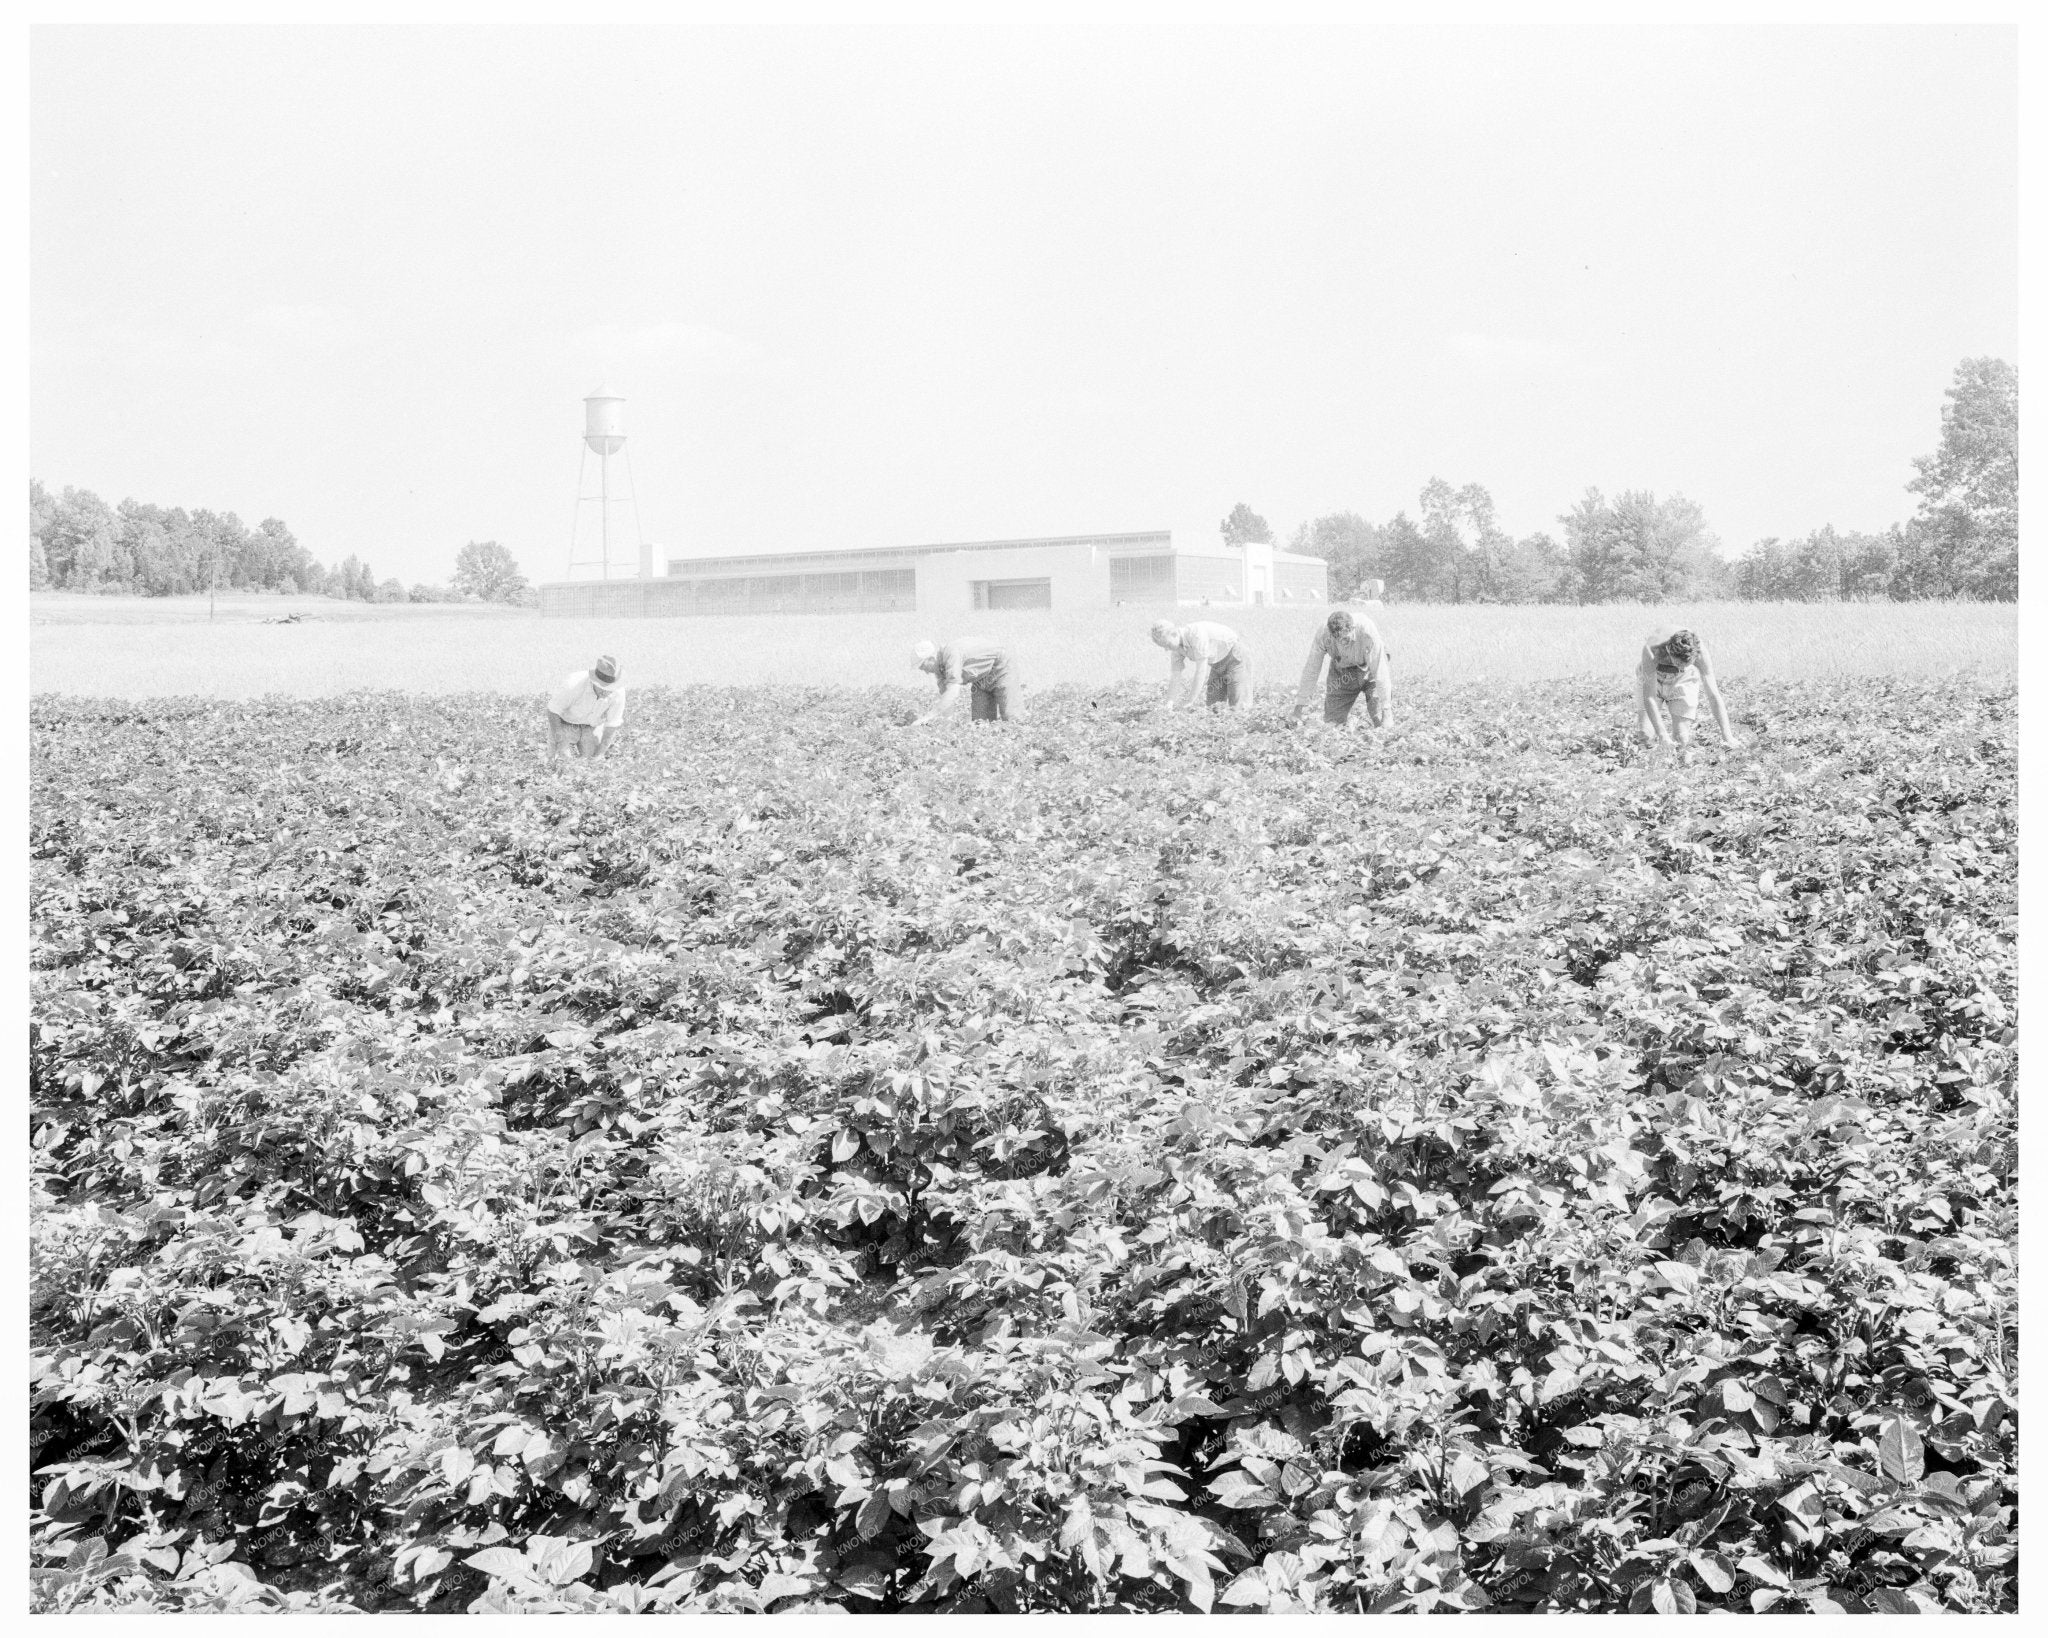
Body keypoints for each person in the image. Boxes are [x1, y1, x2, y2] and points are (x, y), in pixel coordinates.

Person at [1637, 626, 1737, 762]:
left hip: (1683, 679)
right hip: (1653, 677)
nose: (1680, 667)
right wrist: (1662, 734)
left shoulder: (1699, 652)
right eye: (1678, 663)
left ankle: (1677, 773)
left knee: (1681, 739)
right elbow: (1649, 697)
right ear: (1669, 651)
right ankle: (1648, 770)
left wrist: (1728, 736)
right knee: (1645, 735)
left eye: (1686, 663)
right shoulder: (1653, 650)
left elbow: (1714, 695)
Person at [1294, 608, 1392, 729]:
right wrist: (1299, 706)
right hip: (1342, 673)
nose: (1342, 643)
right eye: (1337, 639)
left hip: (1370, 668)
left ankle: (1382, 721)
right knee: (1332, 725)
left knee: (1381, 721)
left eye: (1345, 639)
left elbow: (1380, 670)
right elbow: (1311, 668)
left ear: (1352, 628)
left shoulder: (1367, 631)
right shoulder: (1323, 634)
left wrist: (1387, 711)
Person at [1151, 619, 1250, 711]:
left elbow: (1201, 671)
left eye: (1167, 644)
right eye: (1164, 647)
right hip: (1217, 663)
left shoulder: (1195, 634)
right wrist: (1169, 702)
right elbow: (1175, 677)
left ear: (1174, 634)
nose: (1167, 649)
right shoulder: (1176, 649)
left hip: (1235, 656)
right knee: (1213, 706)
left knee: (1237, 703)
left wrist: (1190, 701)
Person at [912, 639, 1022, 723]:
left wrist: (929, 716)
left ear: (931, 659)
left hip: (1001, 666)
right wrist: (947, 724)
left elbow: (953, 692)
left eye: (923, 667)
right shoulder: (940, 672)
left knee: (1011, 717)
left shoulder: (950, 653)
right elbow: (948, 701)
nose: (926, 672)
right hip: (980, 677)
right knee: (980, 723)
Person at [546, 654, 626, 760]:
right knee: (557, 761)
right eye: (602, 687)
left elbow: (611, 726)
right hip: (565, 724)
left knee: (593, 765)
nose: (606, 691)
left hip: (592, 727)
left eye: (610, 688)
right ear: (594, 681)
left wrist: (599, 754)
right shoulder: (573, 684)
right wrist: (561, 742)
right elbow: (553, 711)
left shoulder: (618, 693)